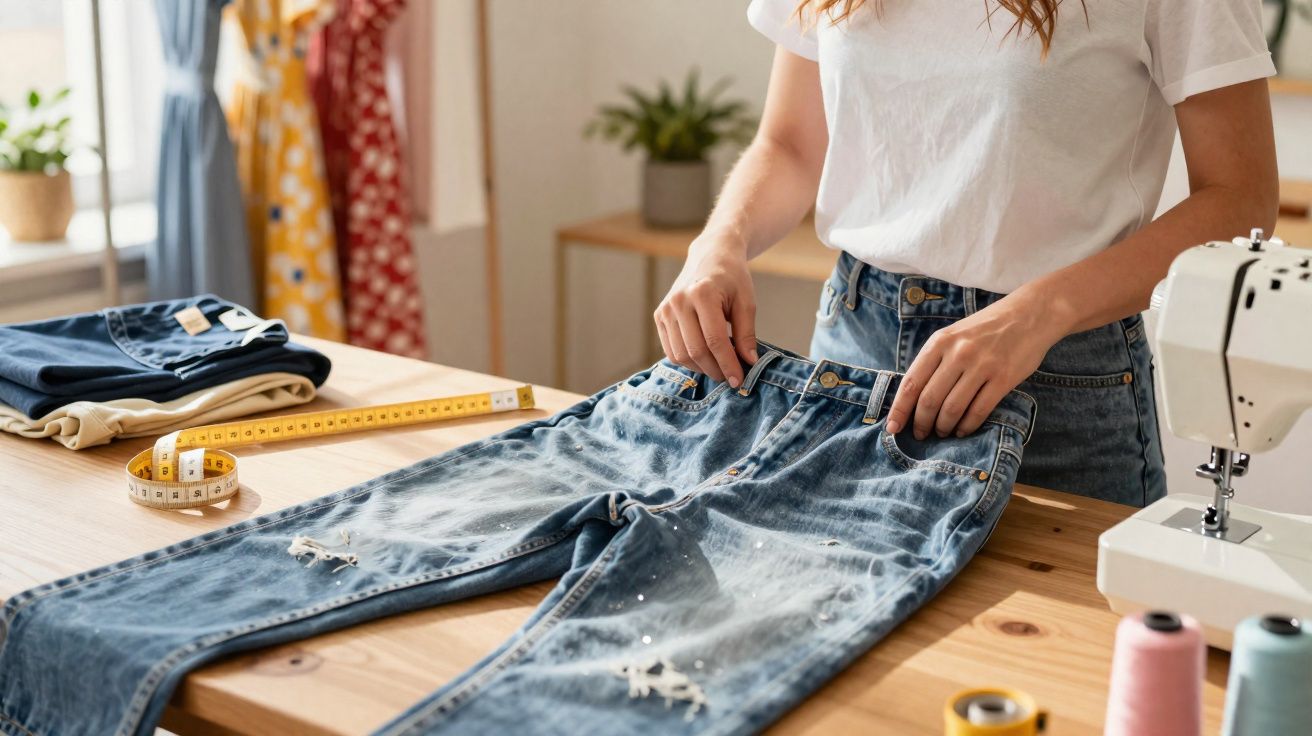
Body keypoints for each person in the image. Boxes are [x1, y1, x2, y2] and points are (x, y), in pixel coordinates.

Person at [653, 0, 1278, 505]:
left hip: (1056, 374)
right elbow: (791, 145)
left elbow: (1239, 197)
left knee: (1073, 657)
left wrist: (1037, 314)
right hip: (854, 349)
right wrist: (719, 244)